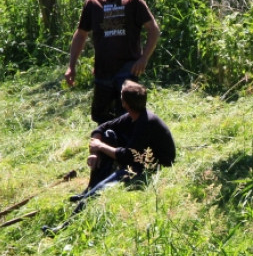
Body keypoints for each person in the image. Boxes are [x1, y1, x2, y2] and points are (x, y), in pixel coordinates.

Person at [65, 0, 161, 124]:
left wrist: (144, 58)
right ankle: (108, 146)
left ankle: (131, 148)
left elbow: (153, 29)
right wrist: (71, 66)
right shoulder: (93, 4)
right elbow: (81, 34)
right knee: (101, 116)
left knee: (129, 115)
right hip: (103, 70)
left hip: (128, 68)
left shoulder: (133, 1)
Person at [69, 80, 176, 211]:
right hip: (136, 158)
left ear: (125, 103)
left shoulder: (146, 123)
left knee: (101, 189)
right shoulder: (134, 115)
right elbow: (101, 128)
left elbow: (127, 157)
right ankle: (90, 189)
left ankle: (70, 219)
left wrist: (100, 146)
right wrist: (94, 153)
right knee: (108, 134)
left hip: (152, 166)